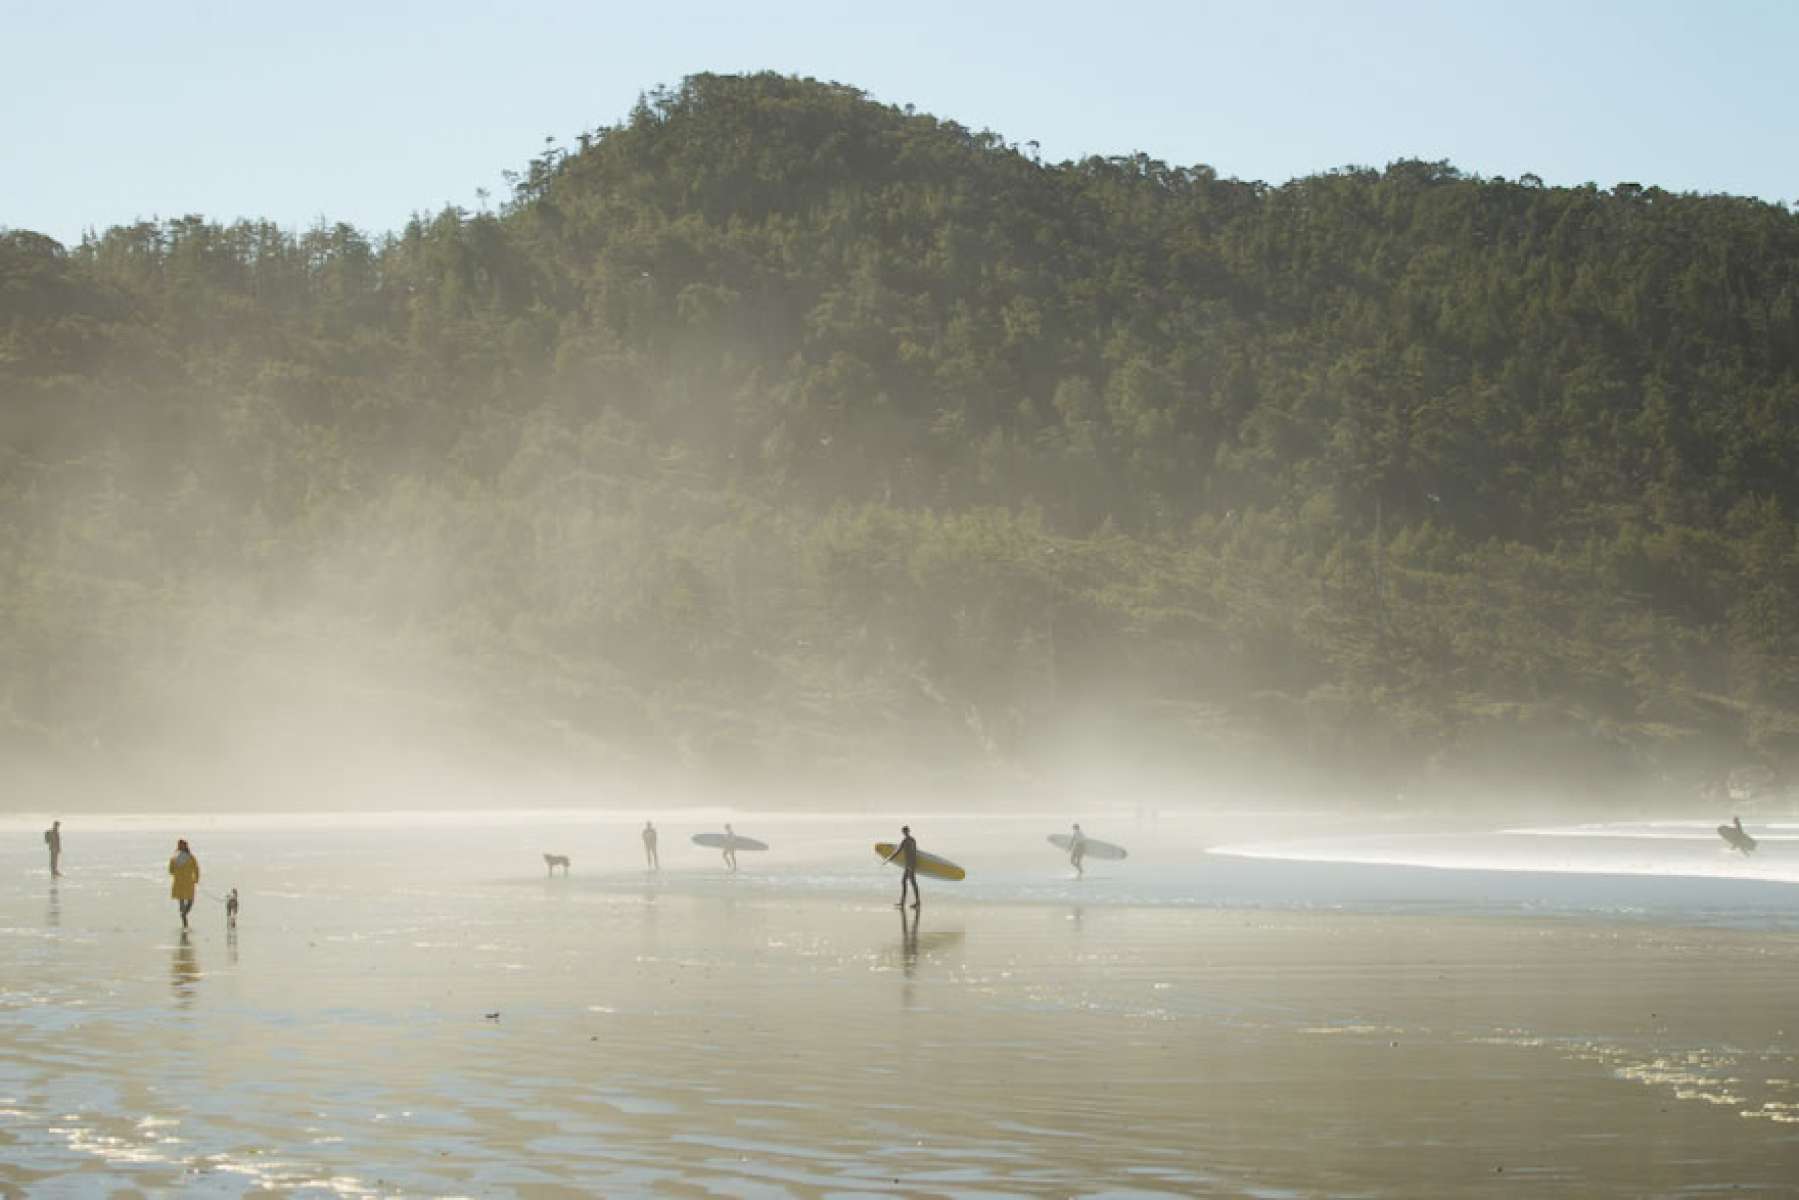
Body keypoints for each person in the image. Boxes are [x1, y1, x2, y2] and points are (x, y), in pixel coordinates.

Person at [883, 825, 920, 910]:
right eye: (904, 831)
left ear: (906, 832)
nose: (905, 833)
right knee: (905, 881)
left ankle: (916, 902)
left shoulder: (905, 841)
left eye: (905, 831)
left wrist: (889, 859)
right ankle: (904, 902)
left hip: (910, 864)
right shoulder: (913, 840)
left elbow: (898, 852)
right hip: (910, 864)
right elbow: (915, 852)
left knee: (912, 882)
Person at [168, 839, 201, 929]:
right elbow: (196, 869)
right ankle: (184, 918)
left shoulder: (174, 858)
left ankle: (184, 919)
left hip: (179, 883)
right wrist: (196, 879)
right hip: (188, 883)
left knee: (182, 902)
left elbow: (170, 871)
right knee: (190, 902)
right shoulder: (191, 857)